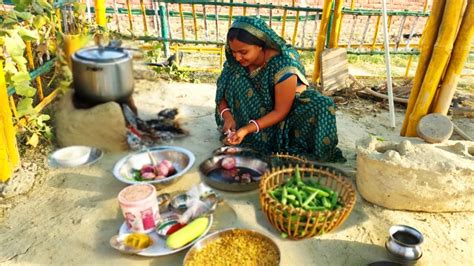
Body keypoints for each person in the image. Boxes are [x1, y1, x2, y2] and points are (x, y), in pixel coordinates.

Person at [215, 16, 345, 162]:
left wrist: (246, 129)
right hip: (246, 117)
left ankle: (263, 136)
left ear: (261, 45)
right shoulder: (235, 62)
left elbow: (280, 111)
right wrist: (227, 116)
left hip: (283, 113)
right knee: (237, 79)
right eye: (233, 52)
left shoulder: (283, 66)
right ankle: (241, 131)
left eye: (243, 52)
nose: (237, 58)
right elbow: (221, 92)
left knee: (322, 104)